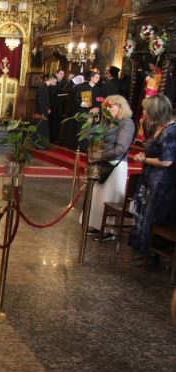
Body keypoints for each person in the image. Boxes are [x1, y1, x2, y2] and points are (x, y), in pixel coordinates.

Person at [128, 95, 176, 267]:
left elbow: (167, 161)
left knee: (152, 217)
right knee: (143, 215)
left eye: (147, 111)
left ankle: (150, 255)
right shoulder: (159, 127)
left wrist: (144, 159)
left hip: (161, 183)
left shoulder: (170, 131)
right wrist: (144, 155)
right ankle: (142, 251)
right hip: (149, 178)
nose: (145, 113)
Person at [83, 95, 135, 241]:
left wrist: (99, 156)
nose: (107, 109)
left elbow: (121, 148)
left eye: (111, 106)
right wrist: (90, 118)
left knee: (109, 196)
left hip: (115, 165)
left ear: (120, 107)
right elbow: (88, 136)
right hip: (103, 162)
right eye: (105, 106)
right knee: (98, 197)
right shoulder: (106, 121)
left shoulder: (127, 123)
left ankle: (110, 231)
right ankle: (97, 226)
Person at [74, 70, 104, 150]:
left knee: (90, 130)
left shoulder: (99, 89)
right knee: (82, 129)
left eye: (99, 78)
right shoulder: (83, 87)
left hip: (93, 113)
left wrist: (98, 109)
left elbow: (100, 101)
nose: (98, 79)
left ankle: (86, 147)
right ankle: (79, 146)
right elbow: (76, 98)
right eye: (96, 77)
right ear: (91, 78)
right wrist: (82, 103)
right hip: (83, 111)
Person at [135, 59, 163, 144]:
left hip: (153, 101)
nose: (150, 67)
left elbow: (153, 84)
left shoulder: (159, 74)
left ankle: (144, 138)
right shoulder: (154, 73)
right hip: (149, 100)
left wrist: (146, 77)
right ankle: (140, 138)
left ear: (156, 65)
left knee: (147, 119)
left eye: (151, 66)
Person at [35, 74, 57, 143]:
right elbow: (41, 101)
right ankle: (40, 143)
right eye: (55, 82)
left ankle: (43, 143)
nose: (55, 84)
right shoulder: (42, 87)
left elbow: (46, 100)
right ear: (52, 79)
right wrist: (42, 113)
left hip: (44, 111)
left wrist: (48, 108)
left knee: (44, 129)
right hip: (41, 113)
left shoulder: (46, 87)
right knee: (41, 129)